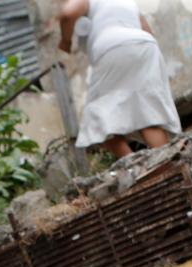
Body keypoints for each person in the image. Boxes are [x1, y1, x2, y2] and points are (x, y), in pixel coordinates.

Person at [58, 0, 181, 159]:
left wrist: (65, 41)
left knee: (98, 121)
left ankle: (133, 165)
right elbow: (146, 30)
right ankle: (170, 162)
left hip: (112, 48)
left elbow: (68, 13)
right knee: (148, 113)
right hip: (146, 46)